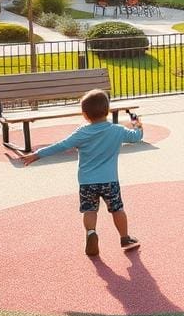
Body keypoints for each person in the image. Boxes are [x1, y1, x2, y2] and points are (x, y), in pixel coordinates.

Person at [21, 89, 144, 256]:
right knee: (117, 209)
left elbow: (62, 145)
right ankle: (125, 238)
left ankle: (91, 233)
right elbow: (137, 136)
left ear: (85, 115)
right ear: (107, 111)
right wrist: (136, 122)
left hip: (87, 181)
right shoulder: (117, 131)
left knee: (90, 210)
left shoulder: (82, 132)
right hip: (110, 181)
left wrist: (37, 154)